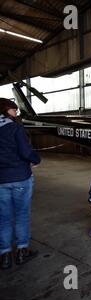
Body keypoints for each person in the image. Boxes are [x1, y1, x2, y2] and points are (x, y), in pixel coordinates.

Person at [0, 98, 40, 270]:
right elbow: (26, 151)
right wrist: (36, 159)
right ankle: (22, 251)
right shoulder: (15, 128)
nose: (16, 113)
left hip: (1, 181)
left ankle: (5, 255)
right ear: (6, 110)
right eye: (14, 110)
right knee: (22, 215)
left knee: (4, 218)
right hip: (20, 177)